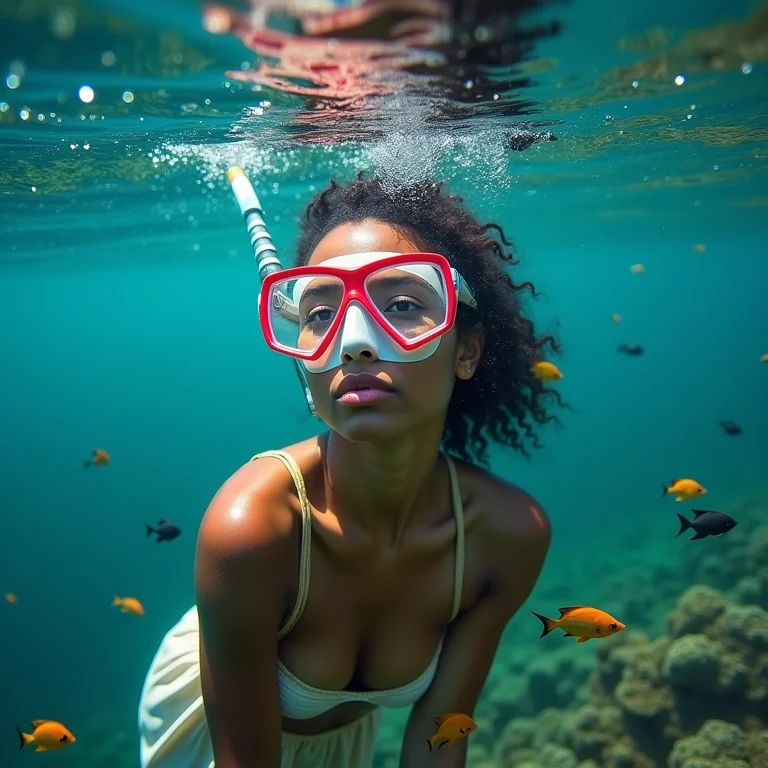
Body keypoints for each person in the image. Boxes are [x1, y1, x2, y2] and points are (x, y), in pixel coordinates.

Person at [138, 174, 562, 768]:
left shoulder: (510, 535)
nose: (355, 343)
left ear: (466, 350)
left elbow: (439, 740)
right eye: (320, 313)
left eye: (403, 304)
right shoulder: (252, 529)